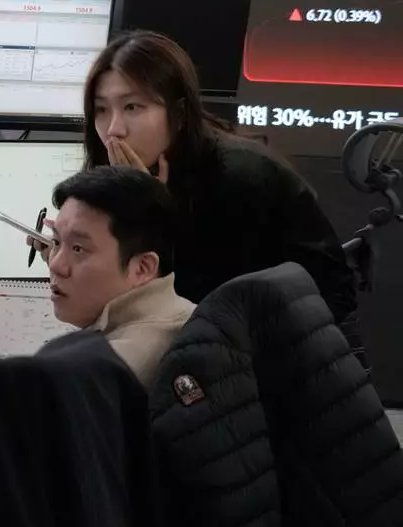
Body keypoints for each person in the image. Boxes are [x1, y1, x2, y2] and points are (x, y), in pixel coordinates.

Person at [33, 31, 360, 357]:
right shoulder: (142, 172)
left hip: (297, 356)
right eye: (101, 110)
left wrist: (150, 212)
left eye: (133, 106)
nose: (114, 128)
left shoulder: (238, 178)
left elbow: (190, 302)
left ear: (179, 113)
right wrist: (75, 251)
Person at [46, 165, 197, 387]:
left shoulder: (104, 371)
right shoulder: (183, 314)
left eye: (78, 249)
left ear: (142, 268)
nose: (56, 265)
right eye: (56, 243)